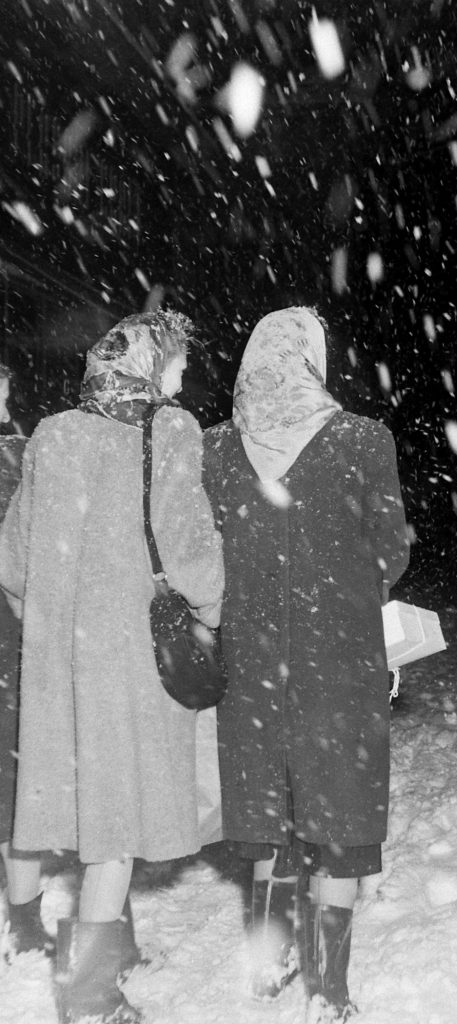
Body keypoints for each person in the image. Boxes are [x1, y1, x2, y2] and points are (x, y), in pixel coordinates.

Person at [0, 312, 224, 1023]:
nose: (183, 376)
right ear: (153, 364)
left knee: (96, 816)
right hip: (131, 660)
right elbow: (189, 546)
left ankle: (108, 954)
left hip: (64, 663)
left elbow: (12, 561)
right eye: (179, 362)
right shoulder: (171, 429)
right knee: (118, 832)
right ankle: (90, 996)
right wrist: (215, 613)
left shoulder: (53, 433)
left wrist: (53, 627)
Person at [203, 307, 409, 1024]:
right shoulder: (361, 439)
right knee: (341, 819)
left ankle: (269, 965)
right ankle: (330, 988)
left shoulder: (217, 448)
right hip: (340, 658)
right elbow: (391, 550)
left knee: (270, 806)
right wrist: (348, 579)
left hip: (251, 662)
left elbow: (202, 556)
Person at [0, 362, 49, 960]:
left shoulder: (23, 448)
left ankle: (26, 919)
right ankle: (26, 921)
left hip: (19, 634)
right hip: (14, 631)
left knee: (17, 779)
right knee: (15, 781)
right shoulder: (19, 453)